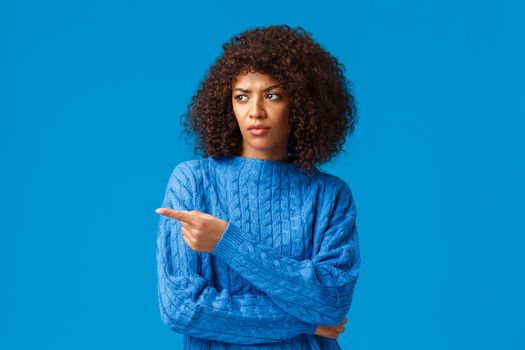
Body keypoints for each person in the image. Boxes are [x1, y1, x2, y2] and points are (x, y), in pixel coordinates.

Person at [154, 24, 361, 350]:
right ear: (227, 105)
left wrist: (225, 241)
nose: (256, 112)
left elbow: (332, 301)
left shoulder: (329, 196)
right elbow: (181, 309)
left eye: (273, 95)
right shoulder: (193, 182)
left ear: (302, 105)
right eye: (242, 97)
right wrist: (307, 322)